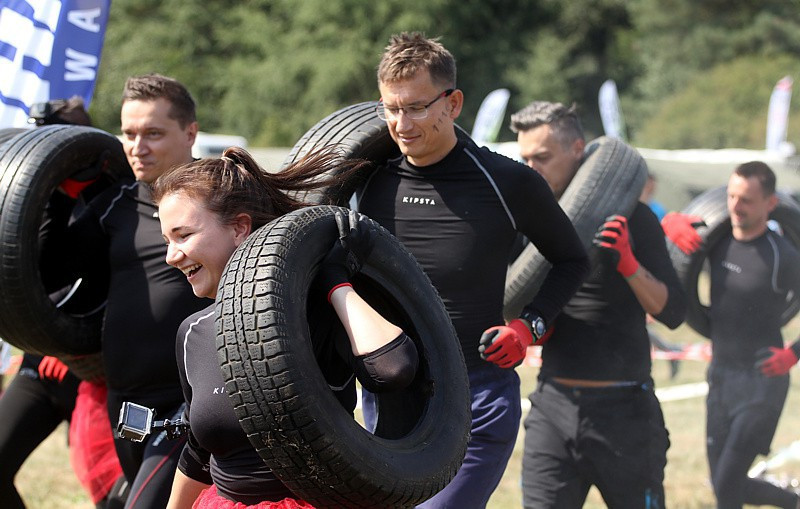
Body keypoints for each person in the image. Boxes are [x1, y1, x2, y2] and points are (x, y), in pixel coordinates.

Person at [356, 33, 590, 508]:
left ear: (454, 102)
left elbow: (572, 260)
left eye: (417, 107)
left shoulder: (509, 182)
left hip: (476, 398)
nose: (401, 124)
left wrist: (529, 327)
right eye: (391, 108)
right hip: (389, 395)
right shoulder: (365, 176)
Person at [152, 147, 419, 508]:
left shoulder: (312, 314)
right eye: (167, 240)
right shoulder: (192, 332)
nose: (171, 255)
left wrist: (335, 283)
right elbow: (200, 453)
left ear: (239, 228)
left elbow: (393, 368)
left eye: (183, 235)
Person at [39, 74, 209, 508]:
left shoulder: (221, 201)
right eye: (129, 134)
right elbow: (54, 269)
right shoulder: (115, 204)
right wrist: (61, 193)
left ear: (190, 132)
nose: (138, 147)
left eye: (153, 133)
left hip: (186, 401)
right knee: (137, 490)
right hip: (127, 402)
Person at [510, 100, 687, 508]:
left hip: (625, 409)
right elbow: (508, 298)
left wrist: (629, 264)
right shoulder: (529, 218)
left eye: (543, 157)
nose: (531, 168)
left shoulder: (632, 216)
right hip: (553, 406)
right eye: (525, 158)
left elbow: (673, 313)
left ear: (578, 150)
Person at [0, 97, 100, 509]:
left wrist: (70, 348)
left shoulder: (114, 199)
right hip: (38, 362)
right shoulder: (33, 197)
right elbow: (36, 272)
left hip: (92, 368)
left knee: (114, 490)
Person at [705, 161, 800, 509]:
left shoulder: (783, 255)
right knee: (722, 483)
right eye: (731, 196)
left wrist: (794, 353)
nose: (734, 206)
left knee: (728, 484)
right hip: (720, 377)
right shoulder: (714, 243)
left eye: (746, 199)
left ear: (770, 204)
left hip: (763, 378)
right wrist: (673, 226)